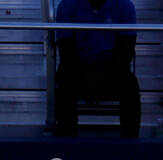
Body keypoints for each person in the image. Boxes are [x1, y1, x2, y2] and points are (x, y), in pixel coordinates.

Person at [54, 0, 141, 137]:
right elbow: (67, 53)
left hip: (112, 71)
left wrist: (103, 75)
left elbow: (126, 53)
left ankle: (131, 145)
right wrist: (87, 75)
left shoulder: (124, 6)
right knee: (64, 83)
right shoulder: (67, 6)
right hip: (79, 70)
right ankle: (66, 146)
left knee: (130, 86)